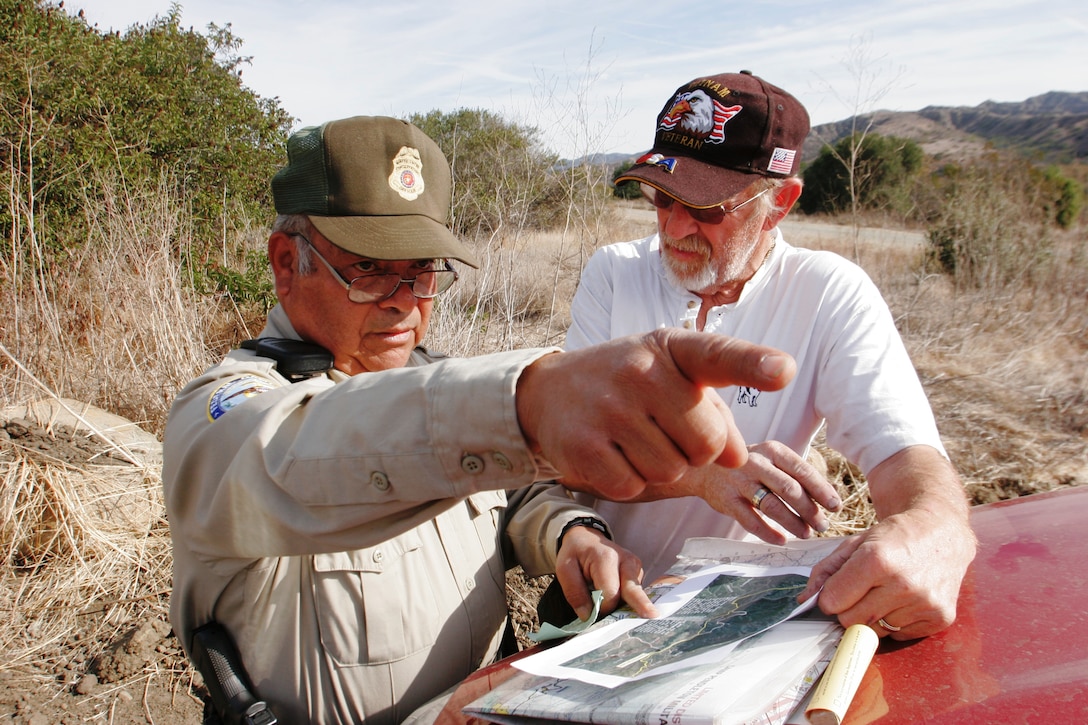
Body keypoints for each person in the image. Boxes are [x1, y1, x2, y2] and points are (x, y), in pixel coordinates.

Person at [162, 115, 799, 724]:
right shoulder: (221, 411)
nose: (403, 304)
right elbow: (294, 453)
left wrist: (569, 534)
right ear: (285, 263)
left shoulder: (432, 380)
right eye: (369, 271)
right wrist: (525, 403)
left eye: (421, 274)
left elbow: (510, 495)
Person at [564, 71, 977, 640]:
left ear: (779, 202)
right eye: (662, 195)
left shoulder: (829, 290)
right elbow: (567, 454)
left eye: (708, 208)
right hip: (607, 602)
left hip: (741, 617)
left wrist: (938, 528)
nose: (675, 226)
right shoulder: (614, 272)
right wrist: (700, 473)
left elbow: (904, 451)